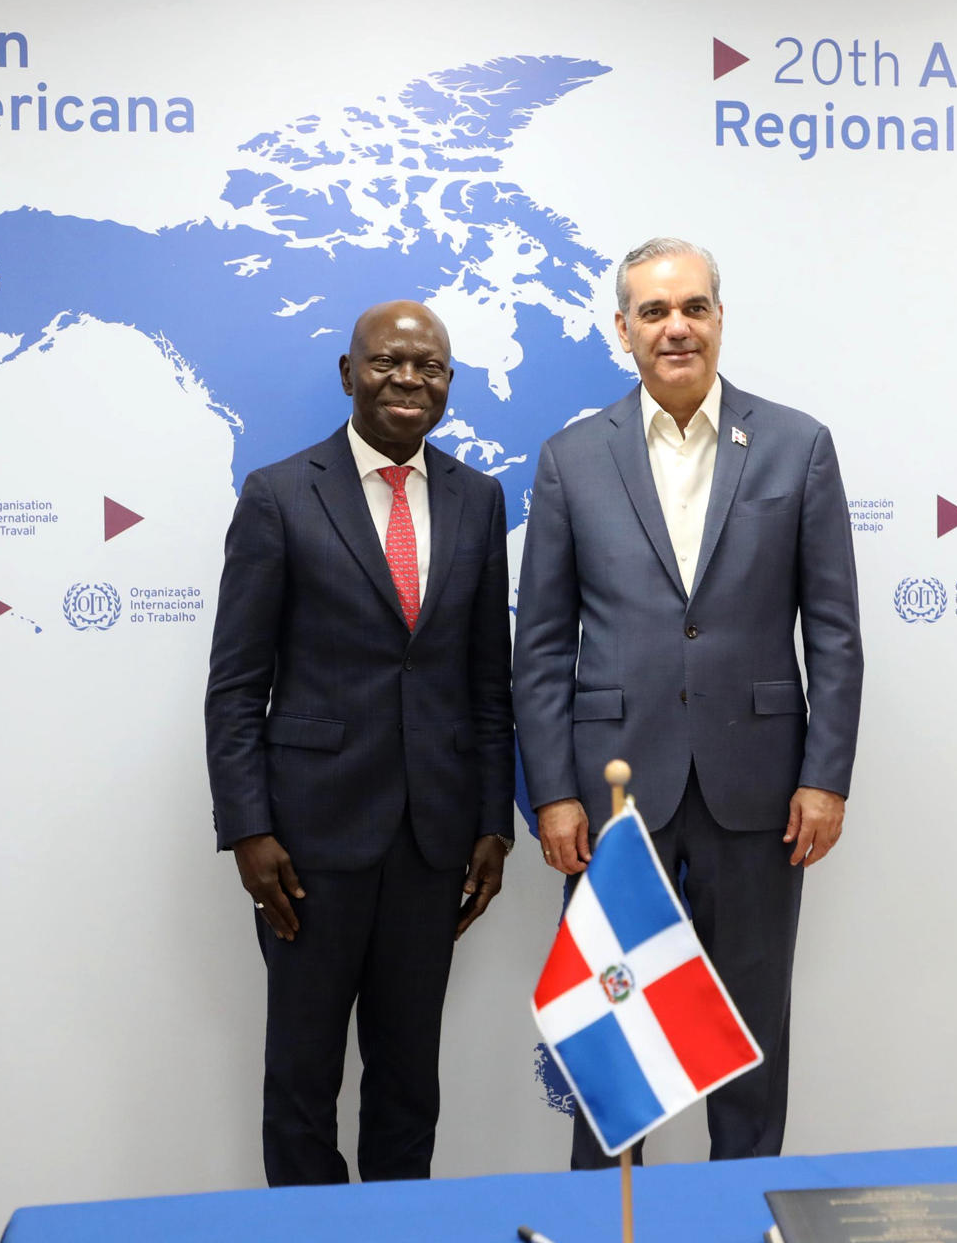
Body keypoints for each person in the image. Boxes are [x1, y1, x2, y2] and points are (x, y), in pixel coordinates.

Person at [513, 237, 863, 1167]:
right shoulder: (571, 458)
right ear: (622, 329)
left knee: (749, 1041)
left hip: (759, 796)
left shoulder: (797, 445)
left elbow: (833, 632)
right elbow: (540, 645)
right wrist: (552, 794)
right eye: (655, 311)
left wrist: (825, 778)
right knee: (614, 1054)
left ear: (719, 318)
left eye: (694, 307)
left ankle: (739, 1217)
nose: (677, 327)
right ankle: (605, 1224)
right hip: (614, 800)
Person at [205, 300, 514, 1186]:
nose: (408, 380)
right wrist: (248, 829)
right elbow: (236, 685)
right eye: (386, 362)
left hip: (432, 842)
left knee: (409, 1081)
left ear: (448, 383)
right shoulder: (278, 495)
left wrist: (494, 822)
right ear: (349, 373)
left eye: (430, 366)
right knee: (303, 1081)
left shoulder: (478, 499)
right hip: (308, 847)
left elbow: (486, 681)